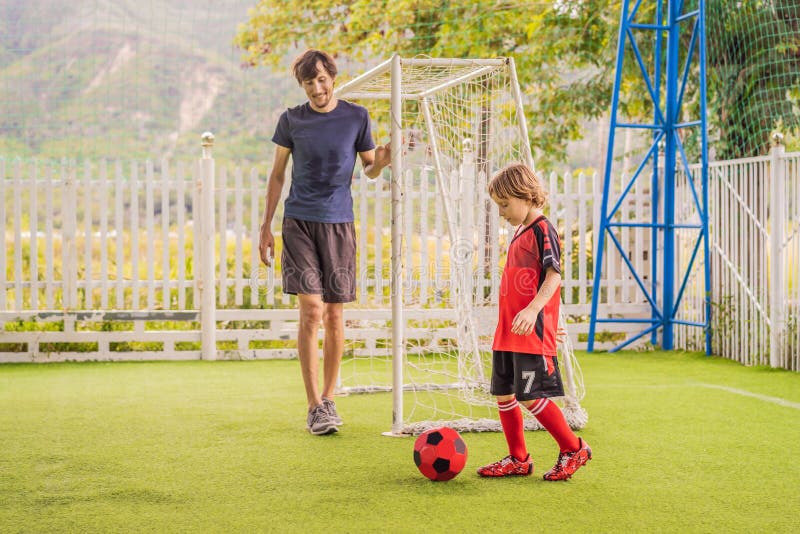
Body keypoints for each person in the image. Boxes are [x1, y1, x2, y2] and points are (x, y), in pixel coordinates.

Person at [258, 49, 391, 435]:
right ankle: (314, 405)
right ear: (301, 85)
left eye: (321, 79)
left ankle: (330, 400)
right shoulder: (292, 120)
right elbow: (278, 175)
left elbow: (368, 169)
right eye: (308, 82)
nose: (316, 88)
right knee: (311, 310)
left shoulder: (356, 116)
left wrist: (381, 160)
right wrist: (266, 225)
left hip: (339, 224)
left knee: (334, 314)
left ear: (332, 77)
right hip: (298, 221)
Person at [477, 162, 592, 480]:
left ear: (525, 195)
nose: (501, 212)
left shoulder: (544, 229)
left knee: (530, 395)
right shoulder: (520, 231)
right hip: (510, 331)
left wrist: (535, 311)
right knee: (504, 392)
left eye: (504, 204)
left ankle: (573, 448)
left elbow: (554, 275)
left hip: (531, 330)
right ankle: (518, 458)